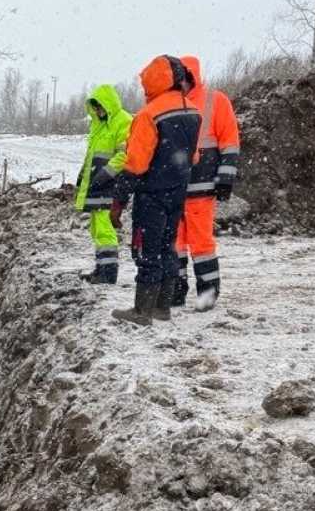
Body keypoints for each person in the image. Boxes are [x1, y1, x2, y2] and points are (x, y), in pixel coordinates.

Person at [110, 55, 201, 326]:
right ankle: (163, 307)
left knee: (147, 249)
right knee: (168, 247)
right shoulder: (193, 111)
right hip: (178, 191)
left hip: (151, 194)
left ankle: (142, 310)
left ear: (152, 81)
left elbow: (135, 163)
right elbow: (194, 156)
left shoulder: (148, 115)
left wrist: (118, 200)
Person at [176, 56, 242, 311]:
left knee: (201, 243)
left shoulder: (215, 100)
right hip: (175, 189)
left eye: (182, 78)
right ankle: (175, 292)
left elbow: (230, 141)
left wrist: (225, 177)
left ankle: (208, 294)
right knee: (175, 243)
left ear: (192, 76)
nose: (179, 83)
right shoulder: (171, 104)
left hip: (202, 189)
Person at [74, 85, 133, 283]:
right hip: (98, 183)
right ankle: (101, 269)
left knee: (105, 228)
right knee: (97, 228)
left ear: (107, 105)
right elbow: (92, 155)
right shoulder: (98, 125)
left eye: (99, 107)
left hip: (111, 184)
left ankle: (108, 274)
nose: (97, 111)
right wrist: (83, 175)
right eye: (95, 108)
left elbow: (125, 154)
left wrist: (106, 174)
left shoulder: (123, 121)